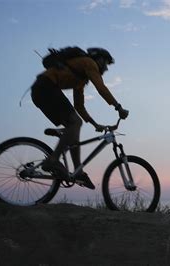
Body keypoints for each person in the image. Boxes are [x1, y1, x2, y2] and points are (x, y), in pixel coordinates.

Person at [30, 47, 129, 189]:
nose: (106, 68)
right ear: (99, 59)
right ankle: (53, 159)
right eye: (106, 63)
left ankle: (78, 172)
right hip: (46, 87)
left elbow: (79, 106)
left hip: (41, 90)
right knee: (75, 123)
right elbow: (101, 88)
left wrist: (95, 124)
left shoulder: (80, 77)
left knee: (74, 128)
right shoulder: (88, 63)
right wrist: (118, 107)